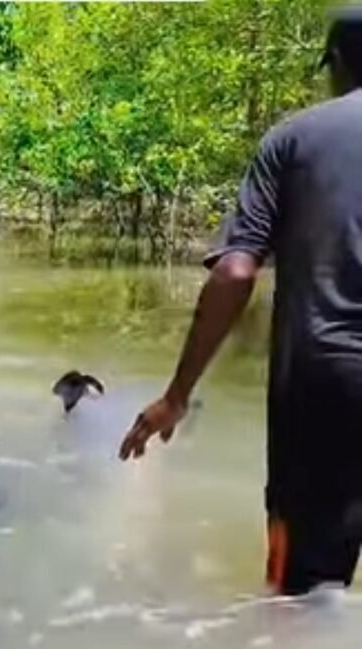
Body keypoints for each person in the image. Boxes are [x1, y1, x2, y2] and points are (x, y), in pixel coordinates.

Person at [120, 7, 362, 596]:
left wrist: (177, 395)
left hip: (321, 388)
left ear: (336, 64)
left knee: (304, 598)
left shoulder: (293, 140)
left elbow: (235, 271)